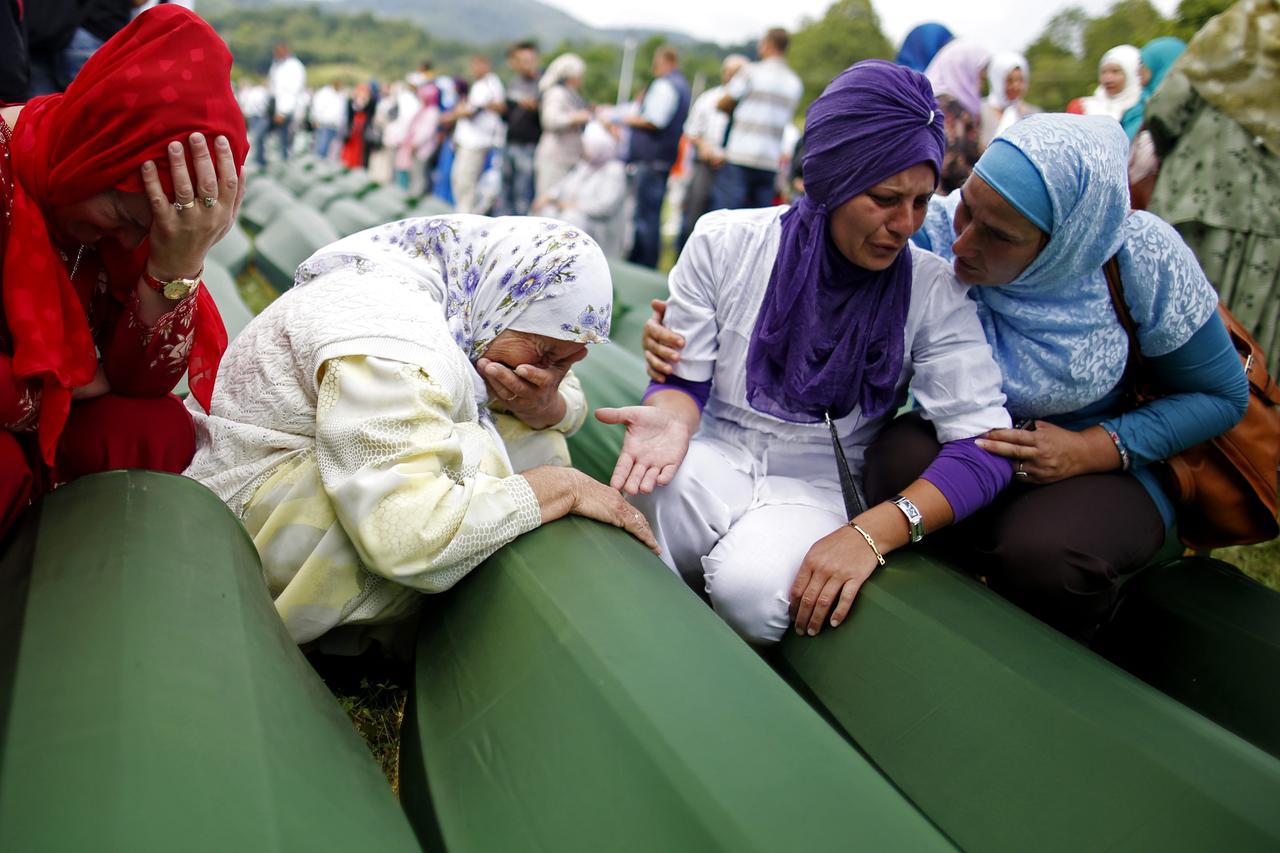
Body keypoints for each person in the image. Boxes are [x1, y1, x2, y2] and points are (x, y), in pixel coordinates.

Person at [604, 61, 1012, 646]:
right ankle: (633, 653)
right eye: (884, 198)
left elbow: (983, 443)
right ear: (830, 182)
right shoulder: (726, 243)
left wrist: (875, 532)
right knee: (650, 491)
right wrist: (668, 421)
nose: (904, 226)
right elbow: (684, 384)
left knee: (752, 592)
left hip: (821, 477)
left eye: (922, 202)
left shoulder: (931, 287)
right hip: (717, 443)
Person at [184, 216, 656, 644]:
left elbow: (566, 398)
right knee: (483, 451)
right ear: (505, 300)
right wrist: (560, 490)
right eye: (546, 356)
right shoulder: (392, 340)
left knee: (528, 438)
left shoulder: (464, 297)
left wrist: (546, 402)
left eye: (568, 362)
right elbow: (406, 534)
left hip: (280, 479)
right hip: (238, 529)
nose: (549, 372)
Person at [893, 114, 1249, 639]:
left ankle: (1071, 660)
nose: (964, 244)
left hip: (1105, 456)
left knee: (1046, 558)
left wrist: (1088, 449)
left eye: (999, 236)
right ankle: (921, 631)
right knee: (882, 470)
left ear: (1066, 244)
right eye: (968, 206)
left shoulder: (1139, 257)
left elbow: (1221, 395)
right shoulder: (936, 227)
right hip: (968, 431)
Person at [0, 5, 246, 539]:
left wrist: (177, 262)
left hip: (42, 430)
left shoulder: (139, 213)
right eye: (123, 218)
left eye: (151, 233)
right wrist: (58, 387)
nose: (131, 244)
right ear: (94, 151)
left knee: (153, 428)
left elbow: (140, 383)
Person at [1146, 0, 1278, 375]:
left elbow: (1166, 109)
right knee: (1253, 354)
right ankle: (1243, 431)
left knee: (1172, 331)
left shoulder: (1238, 27)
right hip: (1271, 234)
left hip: (1195, 202)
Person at [708, 29, 803, 213]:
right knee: (758, 223)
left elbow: (724, 103)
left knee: (725, 220)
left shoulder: (750, 72)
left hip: (740, 155)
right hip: (769, 160)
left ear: (768, 44)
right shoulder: (794, 82)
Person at [622, 46, 691, 269]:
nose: (654, 68)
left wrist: (628, 119)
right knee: (649, 216)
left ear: (666, 62)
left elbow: (655, 120)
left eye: (656, 63)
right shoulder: (682, 86)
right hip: (661, 160)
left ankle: (641, 267)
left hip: (651, 160)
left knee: (646, 219)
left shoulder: (665, 85)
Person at [678, 54, 748, 253]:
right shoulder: (709, 98)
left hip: (732, 167)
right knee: (694, 217)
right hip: (705, 165)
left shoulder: (748, 106)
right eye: (731, 72)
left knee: (725, 226)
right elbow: (691, 129)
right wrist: (703, 146)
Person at [534, 122, 627, 257]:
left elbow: (605, 207)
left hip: (597, 227)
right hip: (573, 214)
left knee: (572, 218)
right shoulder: (586, 165)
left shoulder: (614, 170)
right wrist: (548, 197)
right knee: (546, 212)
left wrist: (573, 207)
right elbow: (564, 185)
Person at [924, 39, 992, 193]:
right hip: (945, 198)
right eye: (979, 73)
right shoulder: (947, 106)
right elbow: (951, 164)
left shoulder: (935, 100)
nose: (981, 81)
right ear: (963, 69)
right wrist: (989, 187)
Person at [449, 56, 505, 214]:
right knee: (459, 180)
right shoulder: (482, 84)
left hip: (476, 142)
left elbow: (472, 111)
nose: (474, 70)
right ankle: (462, 213)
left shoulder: (489, 84)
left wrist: (458, 112)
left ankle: (464, 218)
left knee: (465, 182)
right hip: (469, 141)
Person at [534, 53, 590, 199]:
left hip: (568, 157)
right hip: (555, 158)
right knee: (548, 202)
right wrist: (576, 117)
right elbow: (550, 120)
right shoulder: (556, 94)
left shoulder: (571, 95)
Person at [500, 41, 542, 216]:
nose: (526, 64)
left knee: (522, 194)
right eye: (521, 60)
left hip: (529, 146)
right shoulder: (513, 83)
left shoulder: (542, 84)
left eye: (529, 60)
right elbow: (507, 116)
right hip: (510, 143)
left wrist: (535, 107)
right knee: (505, 193)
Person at [257, 41, 306, 168]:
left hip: (284, 109)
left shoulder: (294, 67)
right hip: (273, 107)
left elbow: (293, 91)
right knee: (261, 136)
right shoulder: (277, 65)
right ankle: (263, 162)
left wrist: (283, 112)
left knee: (283, 139)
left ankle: (283, 165)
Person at [1080, 45, 1143, 139]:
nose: (1108, 79)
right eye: (1103, 72)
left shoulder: (1141, 110)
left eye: (1115, 71)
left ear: (1133, 73)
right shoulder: (1084, 107)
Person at [981, 52, 1037, 148]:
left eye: (1020, 80)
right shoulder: (980, 111)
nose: (1016, 86)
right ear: (997, 80)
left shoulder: (1032, 114)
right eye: (1009, 80)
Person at [310, 79, 348, 160]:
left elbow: (342, 112)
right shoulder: (324, 93)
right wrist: (315, 118)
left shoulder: (341, 95)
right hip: (323, 123)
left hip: (334, 125)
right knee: (321, 147)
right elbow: (317, 107)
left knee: (327, 149)